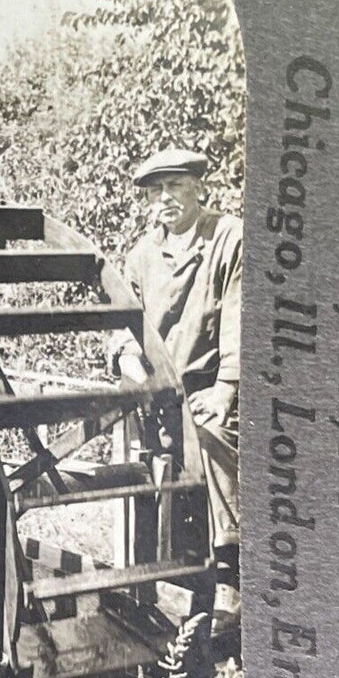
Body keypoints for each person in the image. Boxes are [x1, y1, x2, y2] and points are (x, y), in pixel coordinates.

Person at [107, 147, 241, 634]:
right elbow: (123, 321)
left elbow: (238, 315)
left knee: (209, 437)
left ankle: (228, 575)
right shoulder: (142, 255)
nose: (165, 199)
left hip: (211, 386)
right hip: (161, 393)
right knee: (142, 462)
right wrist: (125, 356)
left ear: (198, 187)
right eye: (156, 190)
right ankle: (144, 583)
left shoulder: (228, 238)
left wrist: (227, 386)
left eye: (176, 187)